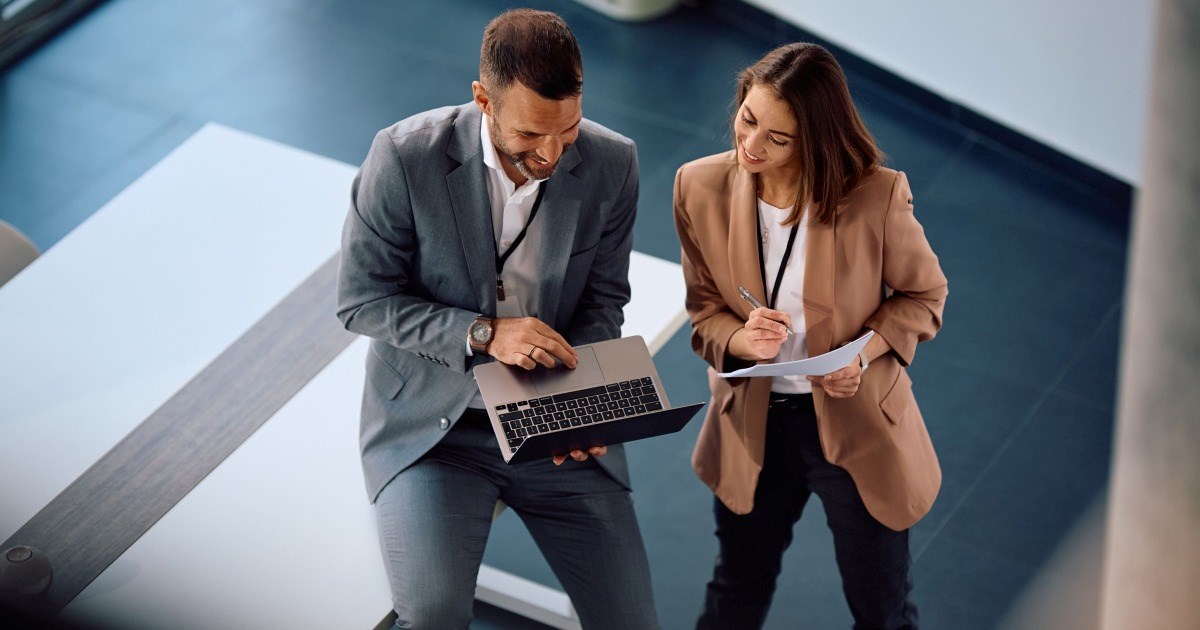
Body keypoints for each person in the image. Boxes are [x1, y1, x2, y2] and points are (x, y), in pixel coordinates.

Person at [336, 9, 658, 629]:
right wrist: (484, 332)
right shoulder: (404, 157)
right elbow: (362, 300)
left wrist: (583, 397)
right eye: (532, 135)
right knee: (431, 614)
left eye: (567, 130)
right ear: (482, 98)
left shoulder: (612, 162)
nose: (554, 153)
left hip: (547, 418)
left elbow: (602, 301)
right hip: (436, 432)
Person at [673, 42, 948, 629]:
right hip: (753, 421)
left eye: (777, 138)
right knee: (736, 586)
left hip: (855, 426)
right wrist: (744, 341)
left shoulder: (875, 196)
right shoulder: (698, 187)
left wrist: (865, 355)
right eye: (748, 119)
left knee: (882, 610)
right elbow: (703, 314)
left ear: (815, 139)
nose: (750, 146)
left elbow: (924, 297)